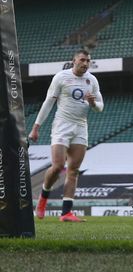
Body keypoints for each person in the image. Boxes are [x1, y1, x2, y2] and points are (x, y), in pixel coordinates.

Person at [31, 50, 104, 222]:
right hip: (62, 125)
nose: (85, 63)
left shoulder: (92, 80)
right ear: (74, 61)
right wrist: (36, 127)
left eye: (88, 61)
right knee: (57, 167)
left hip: (80, 126)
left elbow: (100, 107)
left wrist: (93, 103)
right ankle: (42, 199)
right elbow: (48, 101)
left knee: (73, 170)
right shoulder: (61, 77)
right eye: (82, 60)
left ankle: (66, 213)